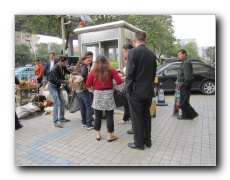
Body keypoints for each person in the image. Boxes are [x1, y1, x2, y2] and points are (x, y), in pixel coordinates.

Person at [125, 31, 157, 150]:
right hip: (148, 91)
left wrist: (127, 91)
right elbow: (153, 74)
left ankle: (139, 143)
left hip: (135, 92)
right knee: (146, 116)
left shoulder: (133, 52)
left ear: (134, 40)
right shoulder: (152, 54)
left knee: (137, 118)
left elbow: (129, 75)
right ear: (145, 40)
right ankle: (147, 141)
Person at [86, 54, 123, 142]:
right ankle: (110, 136)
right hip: (109, 94)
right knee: (109, 115)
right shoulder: (111, 70)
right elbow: (119, 81)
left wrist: (93, 90)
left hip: (97, 94)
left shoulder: (93, 72)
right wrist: (112, 84)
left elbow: (87, 85)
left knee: (98, 116)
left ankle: (98, 135)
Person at [48, 55, 71, 128]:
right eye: (65, 62)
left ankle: (61, 117)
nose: (66, 63)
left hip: (58, 86)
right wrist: (67, 81)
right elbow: (57, 80)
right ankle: (55, 121)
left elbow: (68, 72)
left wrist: (72, 75)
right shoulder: (55, 68)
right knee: (56, 103)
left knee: (62, 101)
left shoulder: (63, 67)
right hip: (52, 86)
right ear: (61, 61)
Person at [177, 49, 199, 120]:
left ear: (184, 54)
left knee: (184, 102)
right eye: (178, 54)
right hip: (183, 84)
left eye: (180, 54)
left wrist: (184, 84)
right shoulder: (184, 62)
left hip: (185, 85)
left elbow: (188, 76)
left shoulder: (186, 63)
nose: (179, 56)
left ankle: (193, 114)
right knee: (183, 101)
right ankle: (185, 115)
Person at [75, 55, 94, 130]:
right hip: (83, 88)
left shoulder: (79, 66)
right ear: (84, 60)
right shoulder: (84, 66)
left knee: (82, 106)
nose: (89, 60)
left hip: (78, 89)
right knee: (88, 106)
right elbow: (83, 75)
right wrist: (87, 78)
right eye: (87, 59)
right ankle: (89, 124)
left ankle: (84, 122)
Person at [118, 43, 134, 125]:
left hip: (131, 88)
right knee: (127, 104)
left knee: (128, 105)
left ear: (127, 51)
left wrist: (124, 78)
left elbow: (132, 76)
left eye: (124, 51)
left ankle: (129, 119)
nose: (123, 53)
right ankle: (127, 118)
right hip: (128, 87)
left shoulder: (132, 61)